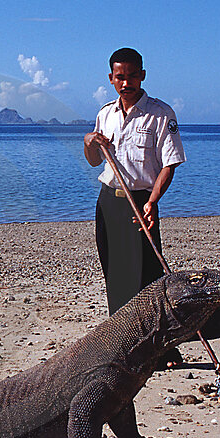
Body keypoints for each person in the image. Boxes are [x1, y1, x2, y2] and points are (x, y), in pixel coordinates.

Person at [84, 47, 186, 367]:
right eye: (119, 77)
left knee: (149, 277)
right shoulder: (105, 114)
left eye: (131, 76)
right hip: (109, 200)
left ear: (142, 75)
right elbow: (94, 161)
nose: (125, 83)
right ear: (111, 78)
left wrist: (153, 202)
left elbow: (169, 165)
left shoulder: (160, 114)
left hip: (140, 201)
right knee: (115, 274)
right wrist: (89, 142)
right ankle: (123, 348)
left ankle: (163, 348)